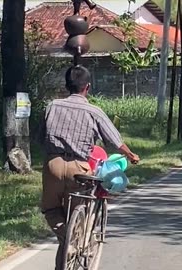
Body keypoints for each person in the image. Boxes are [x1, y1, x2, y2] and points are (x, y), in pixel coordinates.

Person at [39, 65, 139, 270]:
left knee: (50, 209)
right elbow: (115, 140)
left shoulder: (52, 106)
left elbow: (39, 136)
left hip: (53, 165)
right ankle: (74, 240)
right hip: (80, 168)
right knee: (79, 209)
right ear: (88, 87)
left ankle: (66, 238)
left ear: (66, 86)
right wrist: (131, 155)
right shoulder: (94, 111)